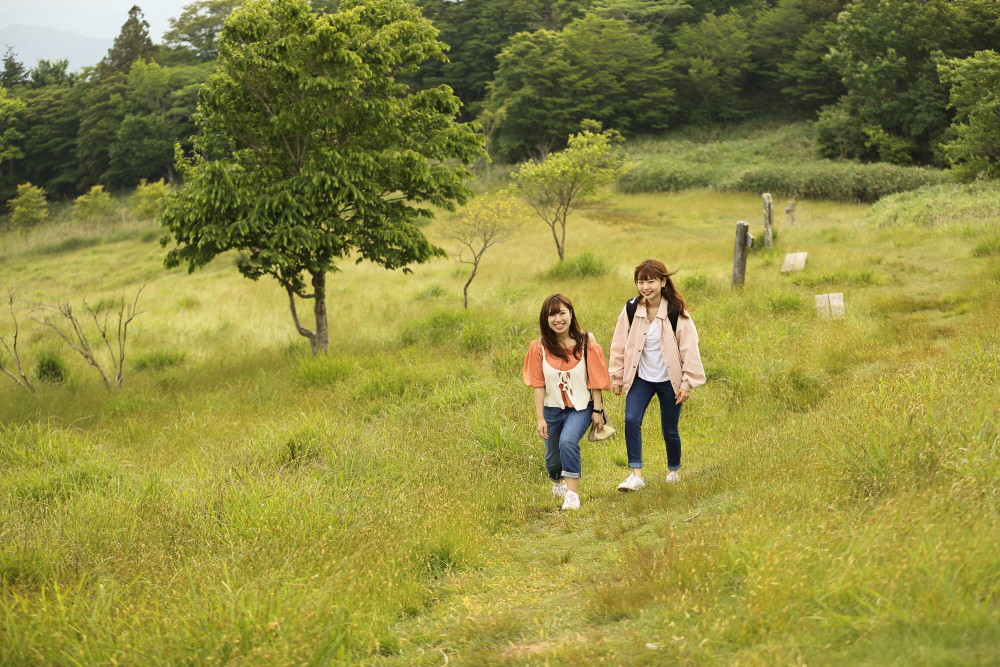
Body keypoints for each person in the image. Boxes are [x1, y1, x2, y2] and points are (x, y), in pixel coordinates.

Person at [608, 259, 706, 491]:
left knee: (669, 428)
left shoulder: (675, 311)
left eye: (651, 281)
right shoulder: (632, 308)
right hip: (640, 378)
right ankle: (636, 475)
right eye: (641, 281)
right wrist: (617, 376)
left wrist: (687, 384)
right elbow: (619, 343)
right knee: (631, 419)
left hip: (669, 380)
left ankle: (673, 470)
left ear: (663, 282)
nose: (645, 286)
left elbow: (689, 348)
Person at [523, 294, 611, 510]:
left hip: (580, 408)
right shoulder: (539, 347)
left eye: (562, 313)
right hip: (551, 409)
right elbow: (538, 384)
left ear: (571, 314)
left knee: (568, 441)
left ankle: (572, 495)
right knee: (553, 459)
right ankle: (556, 482)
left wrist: (597, 410)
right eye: (552, 315)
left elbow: (596, 378)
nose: (558, 319)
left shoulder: (586, 340)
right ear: (546, 319)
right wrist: (540, 418)